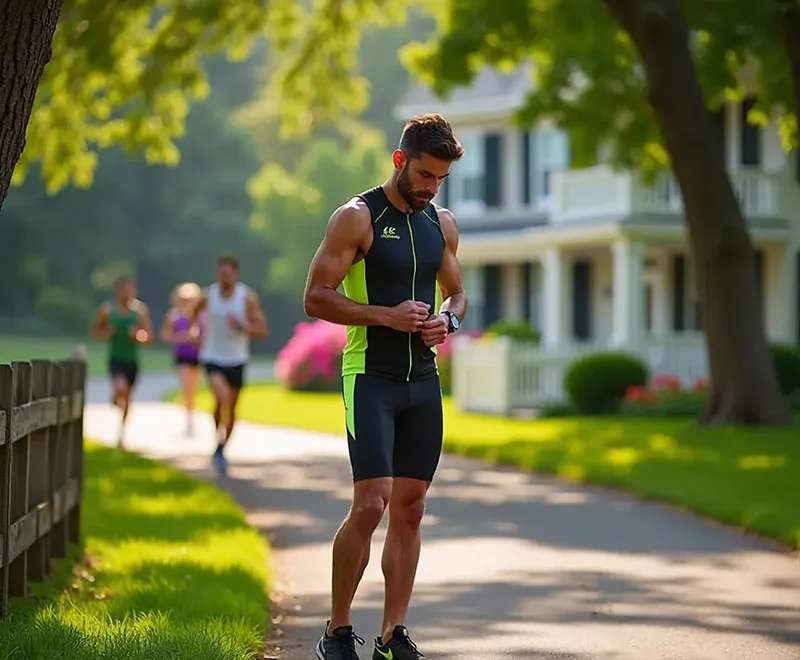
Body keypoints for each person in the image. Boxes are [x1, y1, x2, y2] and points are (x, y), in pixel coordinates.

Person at [303, 113, 468, 660]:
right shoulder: (357, 217)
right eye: (424, 175)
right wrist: (385, 316)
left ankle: (392, 635)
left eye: (440, 178)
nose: (431, 187)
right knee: (372, 502)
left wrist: (448, 320)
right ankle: (337, 631)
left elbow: (457, 293)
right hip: (370, 376)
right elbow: (316, 296)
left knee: (411, 508)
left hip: (423, 381)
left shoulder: (441, 223)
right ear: (400, 161)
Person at [191, 255, 268, 474]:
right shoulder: (208, 295)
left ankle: (221, 447)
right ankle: (217, 438)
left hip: (237, 359)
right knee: (222, 396)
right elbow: (192, 314)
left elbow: (262, 329)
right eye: (221, 272)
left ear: (236, 274)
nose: (224, 276)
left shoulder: (247, 297)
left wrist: (243, 326)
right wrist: (195, 331)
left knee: (230, 407)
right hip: (212, 356)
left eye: (228, 272)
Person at [91, 275, 154, 447]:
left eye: (129, 289)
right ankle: (116, 393)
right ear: (117, 290)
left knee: (127, 399)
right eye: (123, 289)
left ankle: (122, 431)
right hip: (115, 358)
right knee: (121, 387)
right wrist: (107, 332)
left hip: (132, 360)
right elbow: (95, 332)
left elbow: (149, 338)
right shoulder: (107, 310)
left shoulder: (140, 311)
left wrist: (137, 336)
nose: (126, 293)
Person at [160, 282, 204, 436]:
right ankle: (189, 419)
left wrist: (197, 340)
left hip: (197, 356)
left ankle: (190, 413)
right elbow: (165, 336)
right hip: (182, 356)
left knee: (193, 389)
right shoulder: (174, 316)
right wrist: (181, 337)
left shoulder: (200, 317)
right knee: (187, 387)